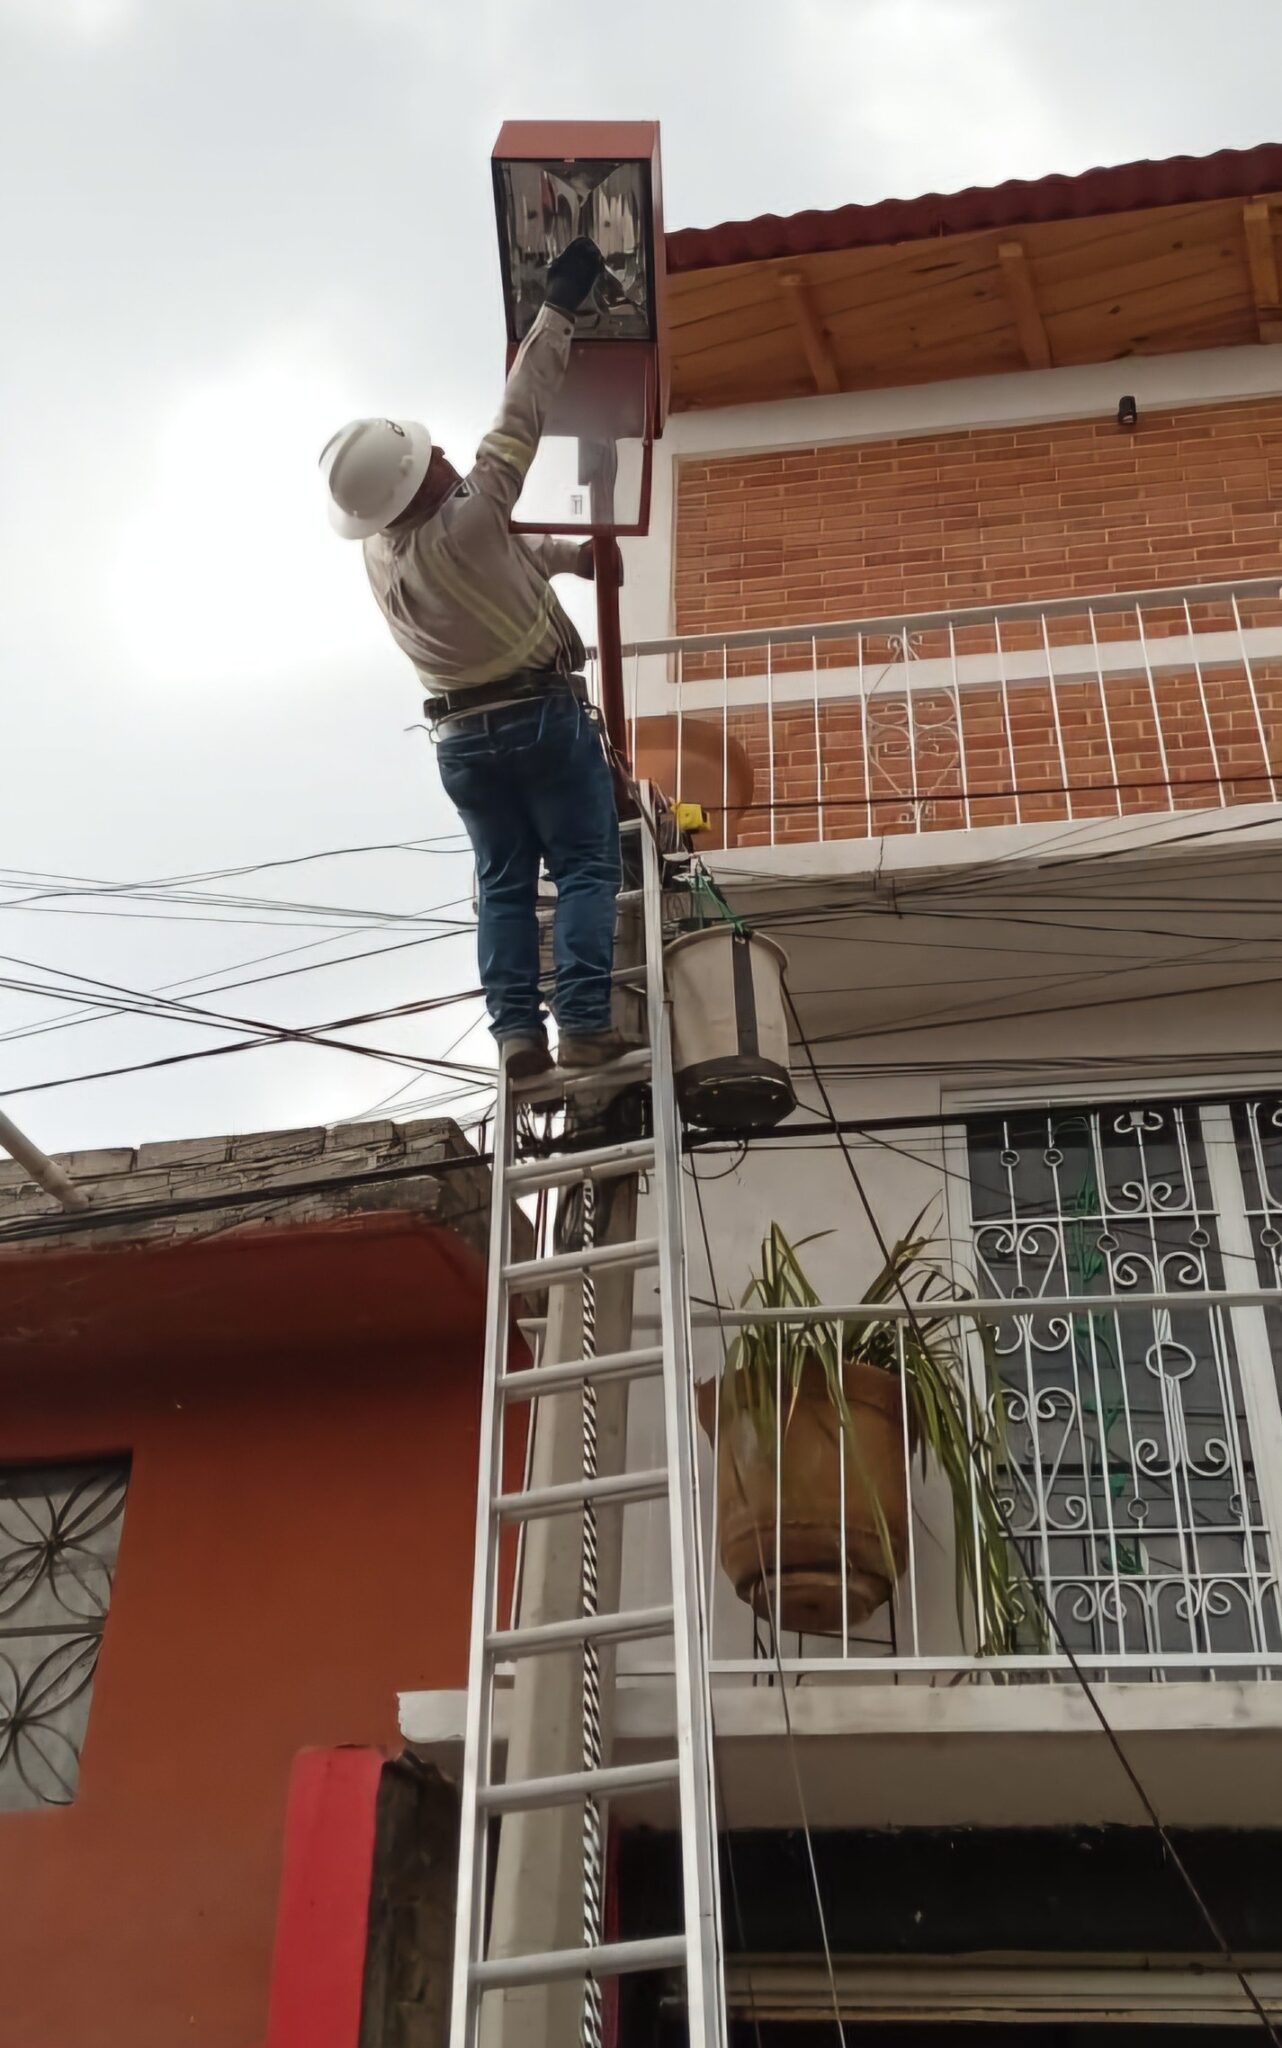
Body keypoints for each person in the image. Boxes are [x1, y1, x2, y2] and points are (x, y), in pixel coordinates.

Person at [319, 238, 630, 1081]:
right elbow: (521, 414)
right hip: (540, 721)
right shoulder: (473, 507)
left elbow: (492, 567)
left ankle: (517, 1034)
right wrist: (558, 309)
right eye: (430, 459)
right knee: (585, 867)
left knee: (503, 887)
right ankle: (586, 1024)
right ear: (417, 480)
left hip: (461, 742)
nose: (445, 457)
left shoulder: (382, 554)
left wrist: (571, 559)